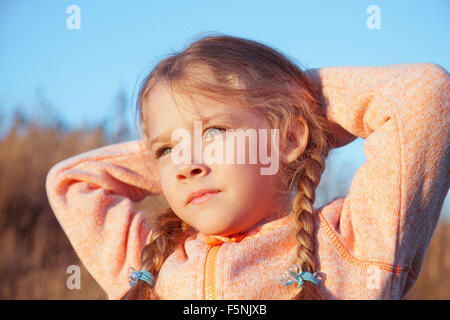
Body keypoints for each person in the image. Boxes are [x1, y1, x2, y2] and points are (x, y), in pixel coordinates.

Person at [45, 34, 449, 300]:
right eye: (167, 150)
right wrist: (177, 154)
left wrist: (297, 100)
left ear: (290, 138)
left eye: (215, 130)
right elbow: (73, 182)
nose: (186, 165)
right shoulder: (150, 266)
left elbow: (424, 94)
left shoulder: (353, 245)